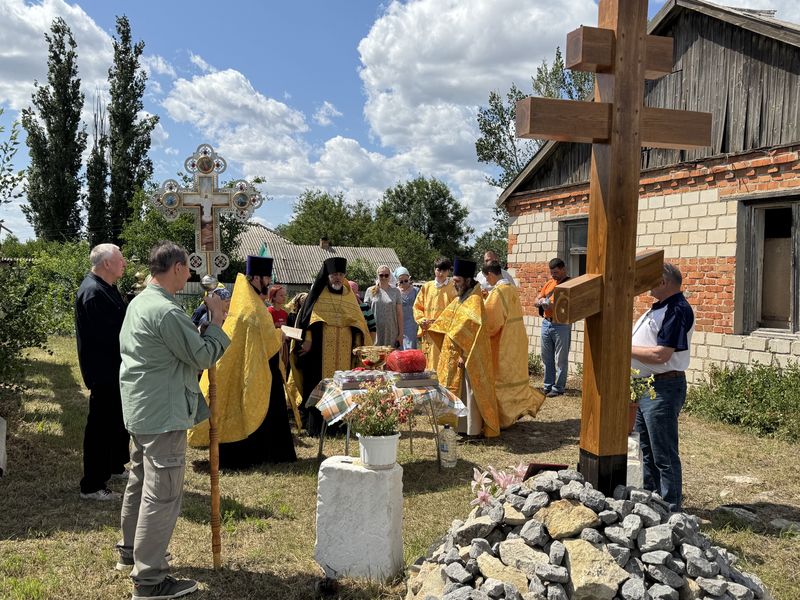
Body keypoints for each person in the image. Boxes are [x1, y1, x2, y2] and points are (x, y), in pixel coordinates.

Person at [117, 241, 230, 600]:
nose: (191, 277)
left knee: (140, 480)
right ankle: (149, 580)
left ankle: (130, 552)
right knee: (161, 494)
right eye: (188, 270)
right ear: (178, 267)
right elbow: (202, 355)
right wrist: (216, 320)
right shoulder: (166, 311)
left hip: (142, 410)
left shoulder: (140, 301)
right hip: (162, 413)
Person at [188, 257, 296, 468]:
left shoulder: (251, 301)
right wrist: (278, 336)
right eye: (266, 277)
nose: (269, 281)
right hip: (248, 369)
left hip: (253, 365)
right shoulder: (250, 307)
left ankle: (268, 452)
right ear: (255, 278)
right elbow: (261, 334)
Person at [631, 263, 694, 512]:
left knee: (663, 452)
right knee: (646, 447)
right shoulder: (659, 308)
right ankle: (652, 499)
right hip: (646, 385)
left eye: (650, 280)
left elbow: (661, 355)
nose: (646, 285)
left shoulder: (677, 309)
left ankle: (670, 507)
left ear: (664, 282)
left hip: (664, 386)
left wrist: (622, 346)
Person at [291, 257, 370, 436]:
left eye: (341, 274)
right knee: (319, 384)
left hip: (344, 348)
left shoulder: (349, 295)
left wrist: (358, 344)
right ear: (327, 275)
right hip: (320, 348)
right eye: (334, 274)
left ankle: (341, 425)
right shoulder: (318, 293)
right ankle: (318, 427)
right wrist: (308, 339)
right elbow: (307, 319)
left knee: (343, 385)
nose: (337, 278)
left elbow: (358, 322)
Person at [75, 243, 129, 501]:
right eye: (120, 259)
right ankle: (93, 485)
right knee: (101, 428)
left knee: (117, 423)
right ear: (106, 263)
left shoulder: (106, 288)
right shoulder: (94, 293)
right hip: (104, 372)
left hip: (115, 369)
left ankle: (115, 466)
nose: (124, 263)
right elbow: (109, 337)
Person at [428, 258, 500, 438]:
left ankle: (472, 430)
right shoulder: (461, 298)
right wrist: (433, 326)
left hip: (468, 356)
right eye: (454, 281)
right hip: (453, 354)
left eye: (458, 281)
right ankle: (458, 428)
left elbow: (474, 332)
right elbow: (448, 320)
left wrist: (465, 354)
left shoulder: (475, 300)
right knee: (456, 391)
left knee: (469, 392)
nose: (455, 284)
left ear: (468, 280)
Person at [482, 261, 544, 427]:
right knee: (514, 377)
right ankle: (517, 411)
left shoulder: (498, 292)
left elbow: (492, 322)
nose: (487, 283)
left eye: (487, 279)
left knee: (502, 378)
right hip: (517, 339)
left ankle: (504, 418)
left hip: (503, 342)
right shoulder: (511, 289)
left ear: (490, 274)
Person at [536, 258, 572, 397]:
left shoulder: (570, 284)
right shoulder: (550, 283)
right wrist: (539, 302)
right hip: (547, 322)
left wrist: (551, 305)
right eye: (552, 273)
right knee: (547, 357)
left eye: (556, 272)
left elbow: (567, 304)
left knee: (561, 359)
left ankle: (559, 387)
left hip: (561, 324)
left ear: (564, 269)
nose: (553, 275)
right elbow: (537, 298)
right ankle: (548, 385)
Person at [413, 257, 457, 371]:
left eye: (444, 270)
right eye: (438, 269)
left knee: (445, 361)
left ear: (448, 271)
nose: (441, 273)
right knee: (430, 361)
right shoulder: (426, 287)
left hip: (446, 331)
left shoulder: (453, 287)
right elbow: (417, 306)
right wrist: (421, 320)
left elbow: (458, 308)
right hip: (429, 330)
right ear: (434, 269)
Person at [363, 265, 403, 347]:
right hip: (375, 331)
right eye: (381, 275)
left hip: (391, 331)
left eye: (386, 275)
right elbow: (365, 314)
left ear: (390, 276)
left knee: (391, 358)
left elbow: (399, 314)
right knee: (375, 358)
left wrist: (401, 334)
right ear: (378, 276)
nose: (384, 277)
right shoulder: (370, 291)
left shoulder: (396, 291)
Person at [395, 266, 419, 350]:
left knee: (410, 346)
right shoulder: (395, 292)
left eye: (406, 280)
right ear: (397, 281)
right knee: (400, 346)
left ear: (409, 278)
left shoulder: (416, 290)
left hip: (412, 322)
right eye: (401, 281)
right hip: (399, 322)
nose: (404, 283)